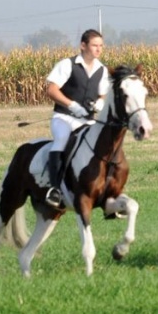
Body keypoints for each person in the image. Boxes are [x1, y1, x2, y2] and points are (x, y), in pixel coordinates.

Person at [44, 29, 109, 208]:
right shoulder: (67, 64)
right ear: (83, 45)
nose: (98, 50)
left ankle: (105, 188)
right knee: (62, 140)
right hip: (64, 118)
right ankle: (54, 189)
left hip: (87, 120)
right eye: (95, 45)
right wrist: (71, 104)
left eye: (101, 46)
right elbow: (51, 89)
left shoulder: (102, 69)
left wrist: (100, 103)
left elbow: (103, 94)